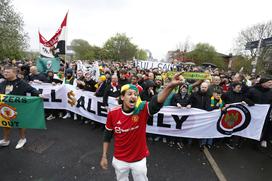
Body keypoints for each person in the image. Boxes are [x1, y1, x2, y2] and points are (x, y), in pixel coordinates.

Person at [100, 73, 184, 181]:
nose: (133, 96)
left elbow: (156, 102)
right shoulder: (113, 113)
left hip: (138, 160)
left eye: (136, 94)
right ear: (122, 97)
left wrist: (170, 86)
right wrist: (104, 156)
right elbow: (107, 136)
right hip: (119, 159)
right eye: (129, 94)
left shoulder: (142, 109)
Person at [0, 66, 43, 149]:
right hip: (5, 107)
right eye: (4, 72)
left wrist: (38, 94)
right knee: (5, 123)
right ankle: (6, 140)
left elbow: (32, 90)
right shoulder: (3, 83)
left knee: (21, 123)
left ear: (15, 73)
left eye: (8, 72)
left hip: (19, 107)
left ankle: (22, 139)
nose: (5, 73)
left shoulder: (21, 83)